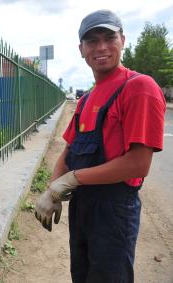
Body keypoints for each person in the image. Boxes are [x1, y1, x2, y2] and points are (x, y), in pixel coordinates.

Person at [34, 9, 166, 283]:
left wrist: (71, 179)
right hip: (82, 206)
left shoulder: (138, 87)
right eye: (92, 40)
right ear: (81, 49)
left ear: (123, 40)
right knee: (81, 275)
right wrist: (52, 190)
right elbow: (69, 152)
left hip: (114, 209)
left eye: (109, 37)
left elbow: (138, 163)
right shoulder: (85, 100)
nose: (101, 47)